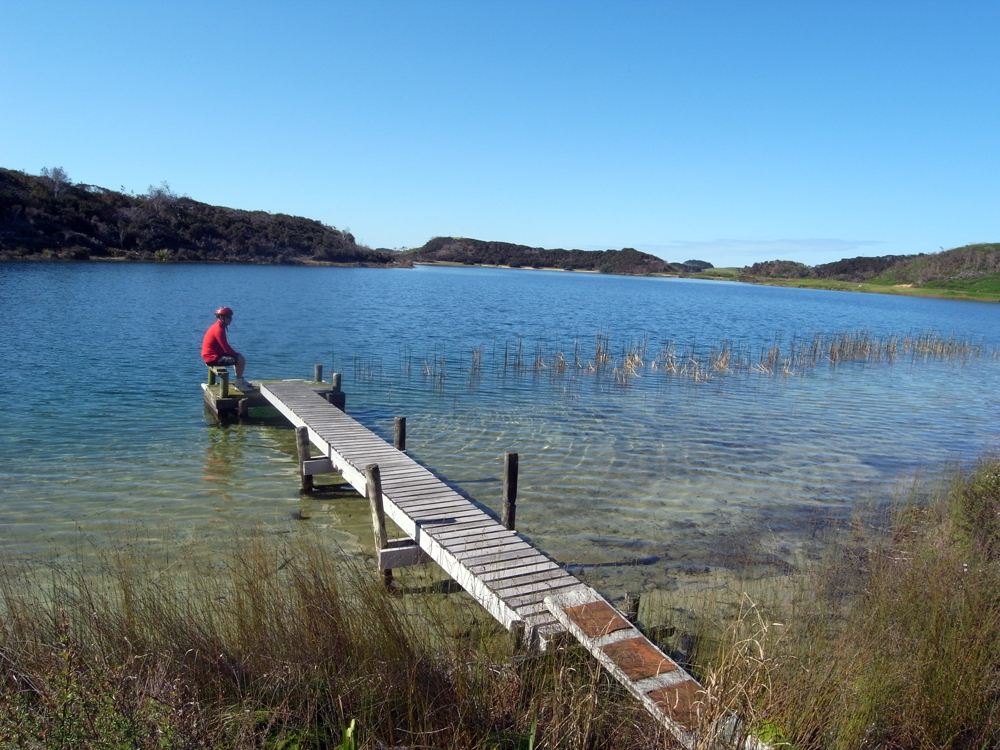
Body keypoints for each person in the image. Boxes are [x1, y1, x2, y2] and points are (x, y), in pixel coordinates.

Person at [202, 306, 252, 391]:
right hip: (212, 358)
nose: (231, 319)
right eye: (228, 317)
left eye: (231, 316)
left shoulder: (218, 326)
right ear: (221, 317)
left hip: (213, 355)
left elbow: (225, 347)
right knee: (240, 359)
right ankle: (239, 384)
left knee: (237, 357)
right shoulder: (218, 329)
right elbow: (225, 346)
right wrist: (236, 355)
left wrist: (235, 354)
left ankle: (239, 380)